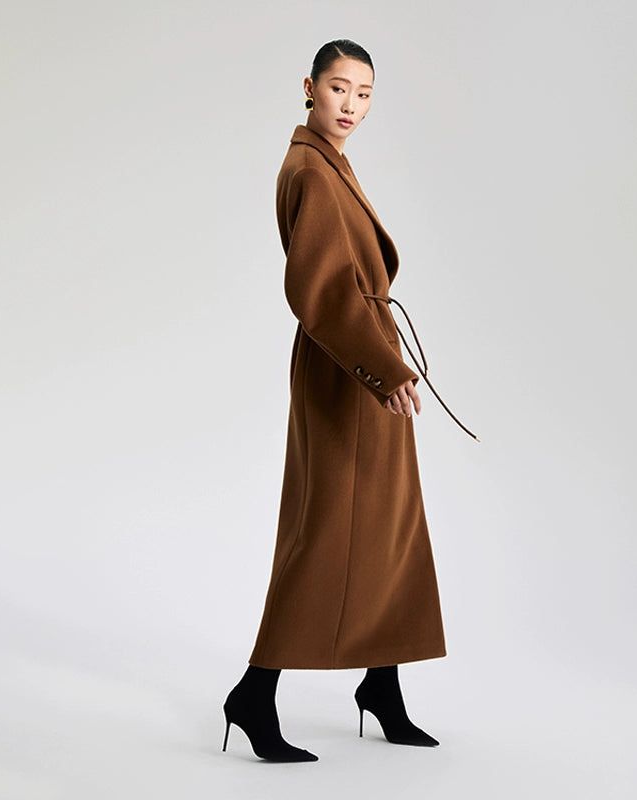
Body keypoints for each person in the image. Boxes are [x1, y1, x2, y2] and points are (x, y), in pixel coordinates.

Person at [222, 39, 446, 763]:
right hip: (348, 368)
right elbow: (318, 292)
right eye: (340, 88)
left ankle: (382, 684)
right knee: (324, 531)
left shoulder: (331, 164)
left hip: (362, 364)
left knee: (389, 526)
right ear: (310, 87)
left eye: (365, 93)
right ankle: (255, 692)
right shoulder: (311, 170)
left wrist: (383, 362)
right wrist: (383, 367)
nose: (351, 105)